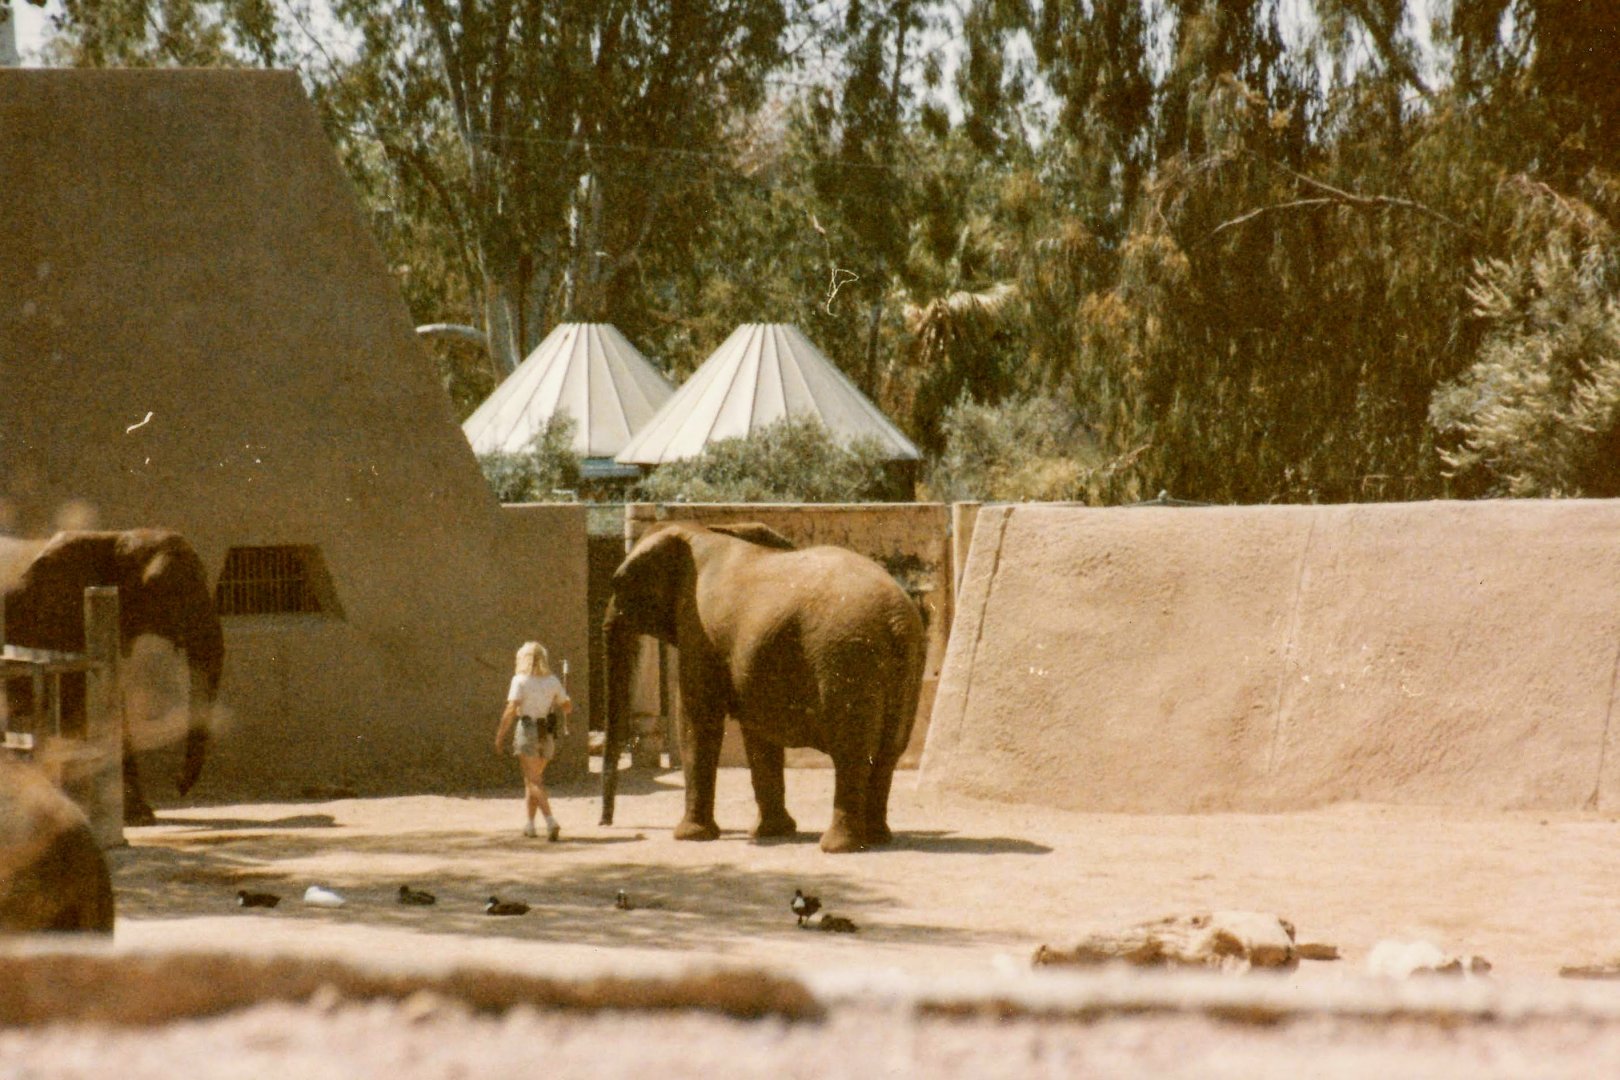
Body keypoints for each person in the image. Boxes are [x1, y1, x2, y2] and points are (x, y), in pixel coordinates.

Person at [494, 641, 573, 840]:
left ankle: (550, 821)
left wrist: (500, 735)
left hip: (528, 729)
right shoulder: (553, 680)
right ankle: (530, 824)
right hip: (546, 731)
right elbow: (567, 707)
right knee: (532, 779)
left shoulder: (519, 680)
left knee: (533, 780)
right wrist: (562, 700)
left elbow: (512, 709)